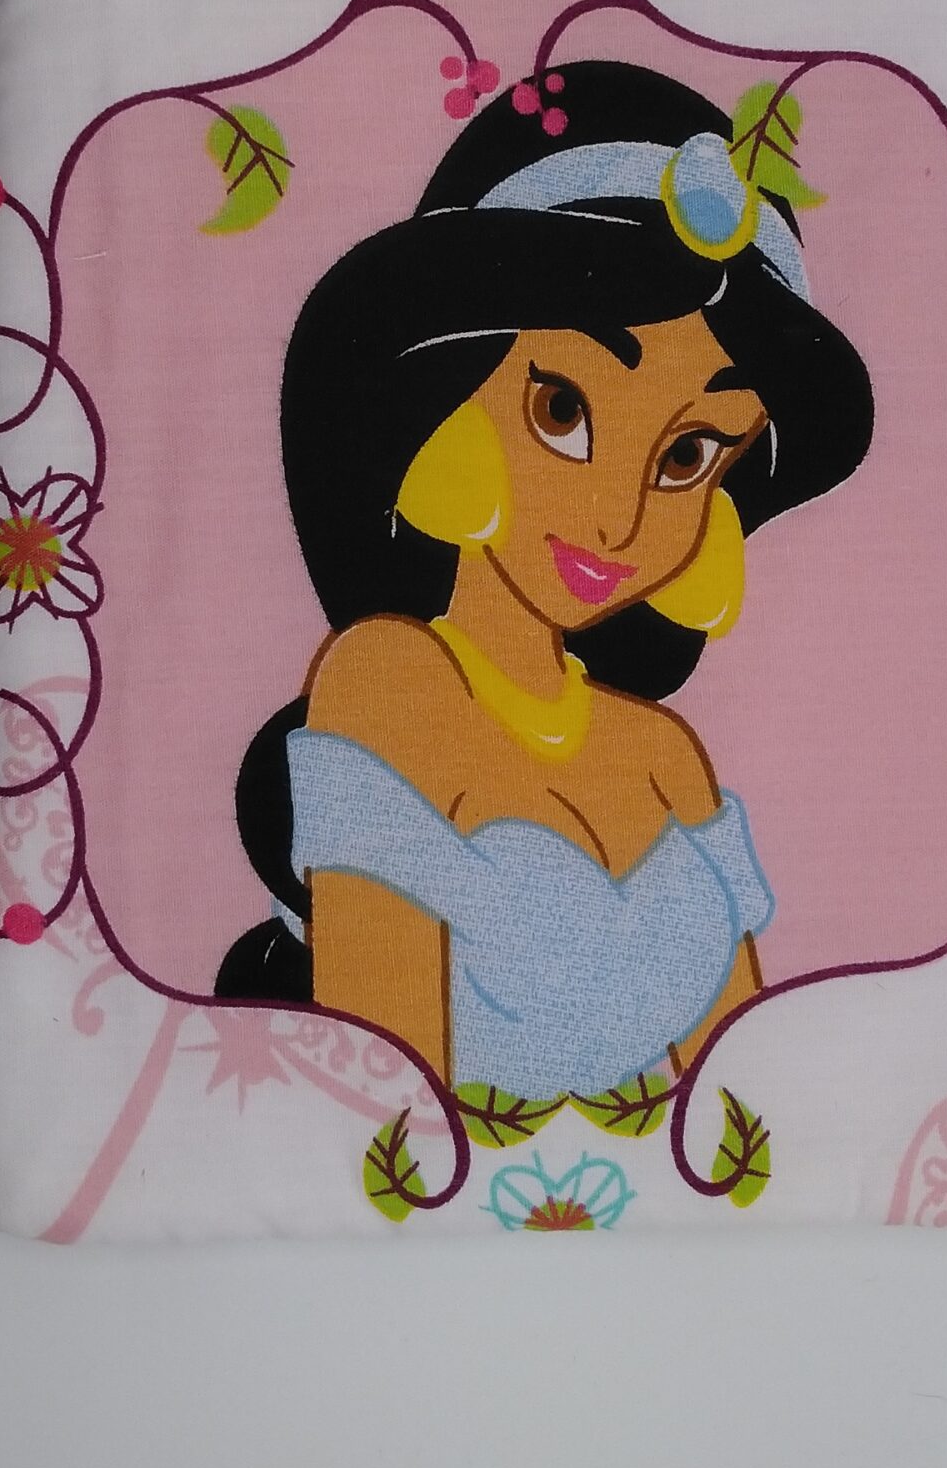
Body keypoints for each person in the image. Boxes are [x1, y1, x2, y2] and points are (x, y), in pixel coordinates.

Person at [217, 59, 873, 1096]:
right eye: (563, 410)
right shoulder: (386, 684)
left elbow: (743, 1087)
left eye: (689, 456)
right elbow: (385, 1084)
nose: (620, 518)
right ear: (446, 392)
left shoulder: (667, 759)